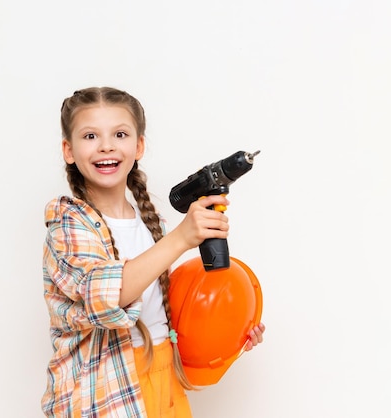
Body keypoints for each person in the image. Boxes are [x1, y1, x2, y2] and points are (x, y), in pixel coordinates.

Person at [42, 86, 266, 417]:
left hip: (165, 385)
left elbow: (167, 321)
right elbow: (102, 294)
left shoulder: (150, 224)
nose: (106, 145)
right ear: (68, 150)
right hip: (105, 395)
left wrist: (224, 334)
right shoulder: (68, 221)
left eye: (120, 133)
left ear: (139, 145)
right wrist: (179, 239)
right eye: (90, 136)